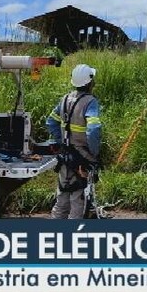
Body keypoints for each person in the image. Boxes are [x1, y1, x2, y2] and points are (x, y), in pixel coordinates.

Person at [46, 64, 102, 219]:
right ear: (89, 82)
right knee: (78, 199)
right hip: (81, 157)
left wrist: (62, 141)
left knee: (62, 197)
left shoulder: (65, 99)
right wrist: (94, 152)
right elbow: (94, 128)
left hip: (65, 156)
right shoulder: (90, 102)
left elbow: (50, 122)